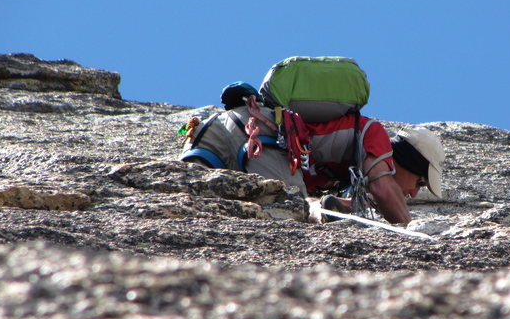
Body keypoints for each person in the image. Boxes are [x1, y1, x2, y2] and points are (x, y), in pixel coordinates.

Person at [304, 114, 444, 225]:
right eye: (420, 183)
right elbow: (383, 191)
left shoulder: (351, 170)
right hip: (284, 152)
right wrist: (411, 229)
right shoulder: (374, 134)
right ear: (409, 162)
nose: (414, 194)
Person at [178, 82, 307, 194]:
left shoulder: (206, 124)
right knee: (295, 197)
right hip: (275, 174)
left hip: (203, 186)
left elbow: (191, 157)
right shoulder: (273, 115)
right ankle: (315, 209)